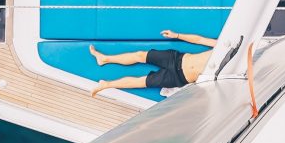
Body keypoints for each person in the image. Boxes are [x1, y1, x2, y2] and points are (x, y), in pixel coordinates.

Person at [88, 30, 217, 95]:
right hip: (177, 58)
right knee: (140, 55)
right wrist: (176, 35)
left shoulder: (231, 69)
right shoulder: (223, 46)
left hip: (178, 77)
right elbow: (200, 40)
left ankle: (106, 85)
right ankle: (104, 58)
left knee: (141, 82)